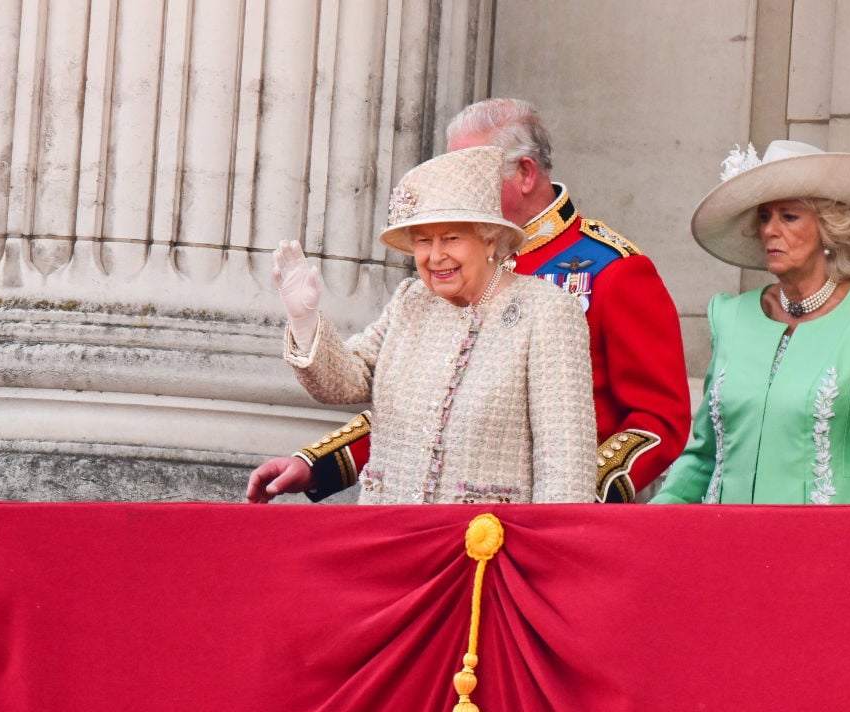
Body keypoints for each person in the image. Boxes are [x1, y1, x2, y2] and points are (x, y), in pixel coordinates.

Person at [247, 98, 690, 504]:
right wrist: (315, 463)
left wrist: (578, 498)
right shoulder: (436, 278)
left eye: (471, 171)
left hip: (522, 517)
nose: (452, 187)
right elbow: (420, 406)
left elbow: (659, 420)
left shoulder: (612, 268)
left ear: (526, 173)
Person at [255, 145, 596, 504]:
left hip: (483, 548)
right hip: (387, 534)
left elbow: (566, 468)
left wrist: (543, 553)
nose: (435, 256)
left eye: (451, 238)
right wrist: (305, 321)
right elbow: (344, 383)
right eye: (423, 240)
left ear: (490, 240)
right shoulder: (411, 300)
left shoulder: (547, 311)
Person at [652, 140, 850, 504]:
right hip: (727, 543)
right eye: (764, 217)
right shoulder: (730, 316)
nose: (769, 231)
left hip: (825, 551)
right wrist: (652, 525)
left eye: (788, 216)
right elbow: (703, 456)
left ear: (828, 228)